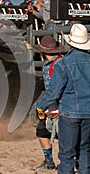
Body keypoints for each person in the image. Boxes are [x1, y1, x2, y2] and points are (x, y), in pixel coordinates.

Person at [34, 24, 90, 174]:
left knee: (67, 153)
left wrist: (40, 105)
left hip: (69, 112)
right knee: (84, 148)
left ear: (70, 43)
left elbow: (54, 92)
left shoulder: (63, 64)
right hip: (89, 112)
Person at [33, 35, 65, 171]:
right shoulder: (62, 62)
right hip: (60, 105)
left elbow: (54, 90)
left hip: (56, 106)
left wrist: (41, 105)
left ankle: (49, 161)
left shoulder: (52, 67)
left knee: (43, 131)